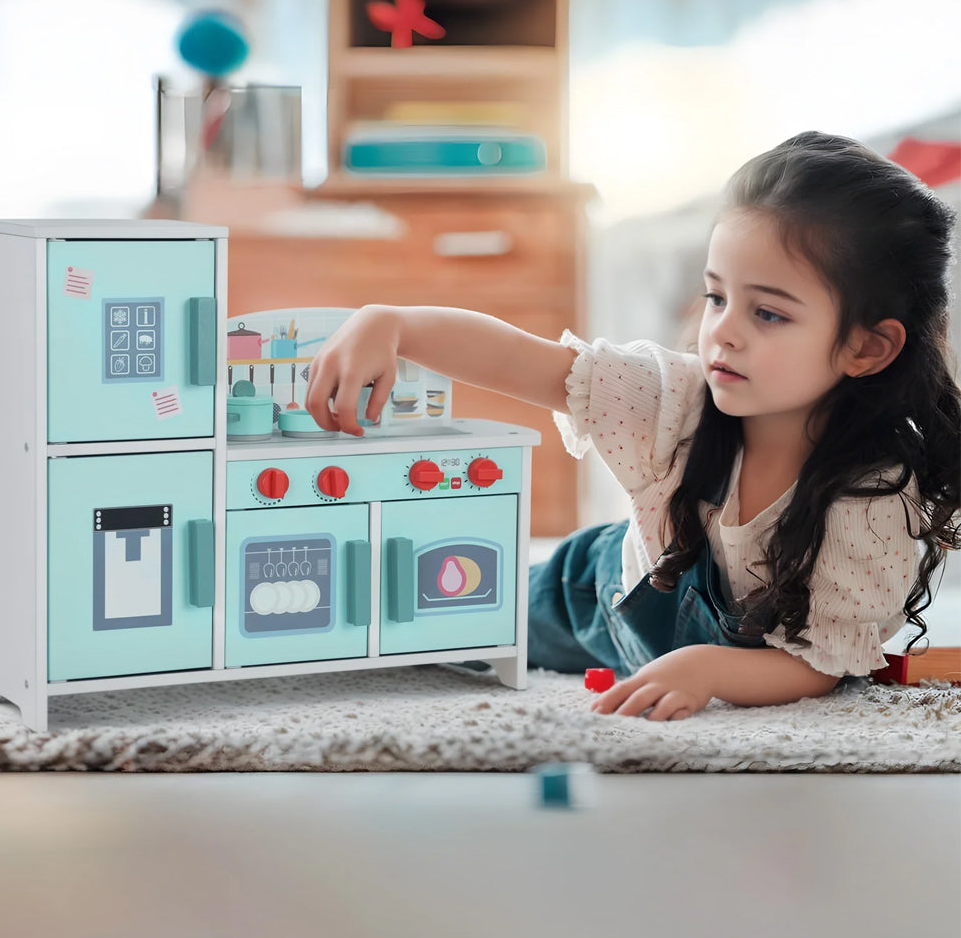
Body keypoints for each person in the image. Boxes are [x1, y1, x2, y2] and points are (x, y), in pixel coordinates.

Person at [305, 131, 961, 721]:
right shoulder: (673, 397)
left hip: (690, 644)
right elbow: (520, 360)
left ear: (867, 348)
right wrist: (390, 321)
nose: (722, 331)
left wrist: (705, 669)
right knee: (425, 620)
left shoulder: (872, 496)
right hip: (591, 593)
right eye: (716, 297)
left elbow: (819, 665)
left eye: (768, 314)